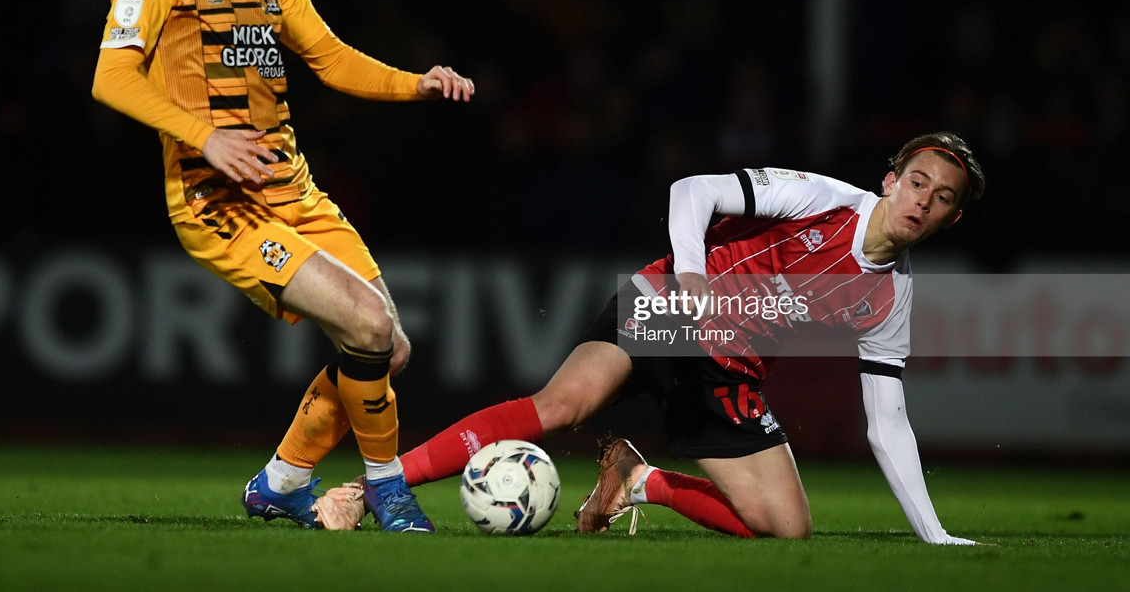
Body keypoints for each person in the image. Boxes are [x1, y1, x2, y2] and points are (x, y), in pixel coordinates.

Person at [90, 0, 474, 533]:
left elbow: (330, 58)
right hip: (218, 204)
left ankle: (280, 481)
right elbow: (111, 77)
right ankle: (386, 490)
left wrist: (414, 82)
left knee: (389, 347)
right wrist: (204, 137)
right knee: (364, 324)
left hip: (293, 192)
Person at [389, 132, 985, 543]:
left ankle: (637, 481)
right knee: (565, 405)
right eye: (916, 182)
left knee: (786, 528)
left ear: (950, 218)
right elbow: (692, 189)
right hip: (670, 306)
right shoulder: (825, 200)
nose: (922, 199)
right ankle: (380, 485)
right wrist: (693, 276)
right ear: (890, 182)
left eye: (941, 197)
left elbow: (887, 421)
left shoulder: (891, 297)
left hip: (731, 367)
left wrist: (933, 535)